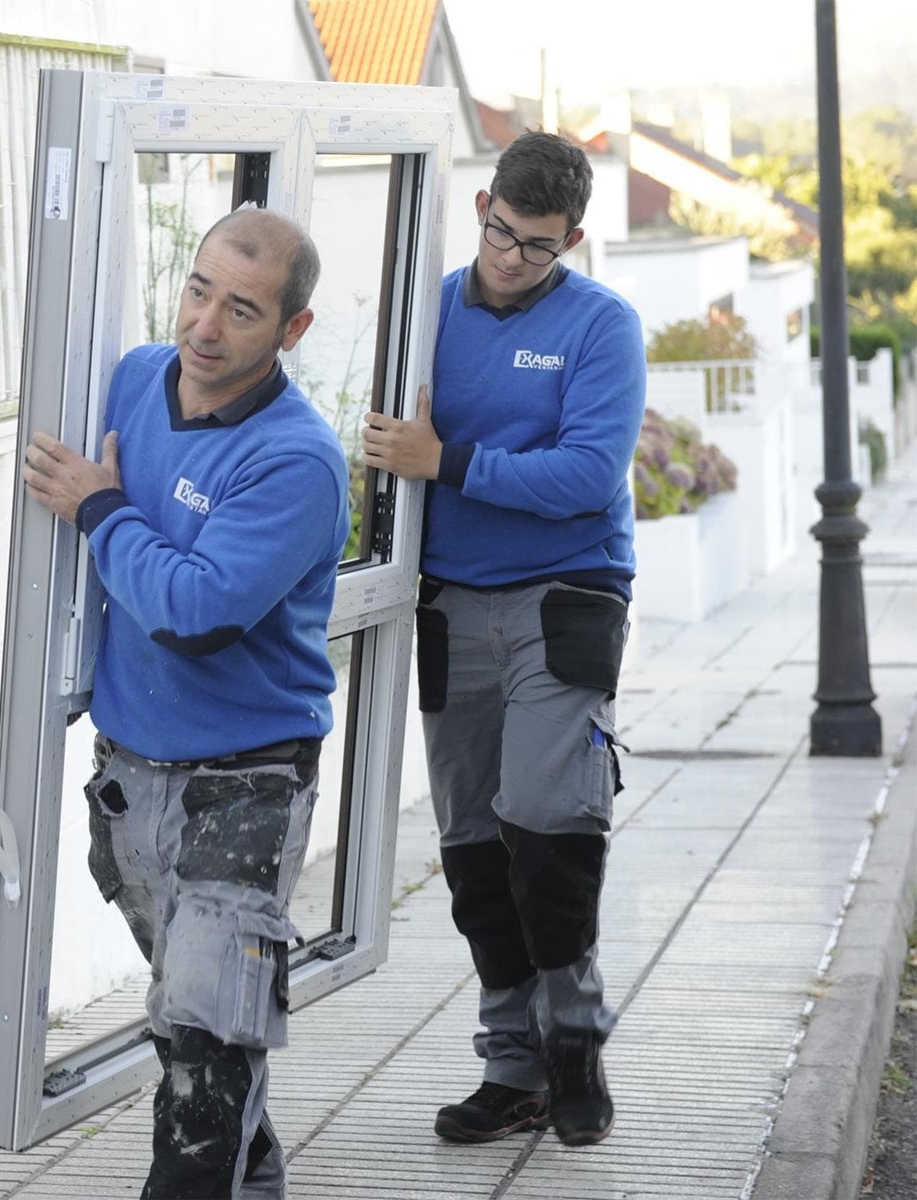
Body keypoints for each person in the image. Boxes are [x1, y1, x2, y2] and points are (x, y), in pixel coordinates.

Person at [21, 206, 349, 1199]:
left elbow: (194, 611)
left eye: (241, 309)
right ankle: (250, 1174)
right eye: (197, 290)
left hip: (243, 789)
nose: (206, 324)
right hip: (131, 777)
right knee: (199, 1038)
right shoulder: (129, 381)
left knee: (203, 1055)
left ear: (291, 330)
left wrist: (98, 508)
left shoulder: (295, 461)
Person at [360, 131, 645, 1148]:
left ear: (573, 236)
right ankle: (510, 1067)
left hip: (561, 600)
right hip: (448, 602)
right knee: (475, 849)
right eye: (498, 234)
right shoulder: (423, 311)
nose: (511, 258)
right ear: (479, 204)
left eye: (536, 246)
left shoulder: (601, 326)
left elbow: (584, 478)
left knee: (544, 821)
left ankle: (572, 1042)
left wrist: (447, 461)